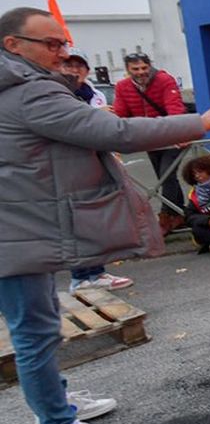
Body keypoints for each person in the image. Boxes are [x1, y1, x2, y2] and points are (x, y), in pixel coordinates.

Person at [0, 7, 210, 424]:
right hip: (17, 230)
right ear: (13, 45)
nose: (62, 52)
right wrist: (197, 122)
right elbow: (117, 134)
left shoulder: (20, 85)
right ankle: (56, 421)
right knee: (35, 333)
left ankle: (56, 401)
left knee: (39, 326)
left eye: (64, 43)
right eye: (51, 44)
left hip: (22, 223)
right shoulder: (28, 91)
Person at [61, 49, 133, 294]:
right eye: (68, 65)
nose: (74, 70)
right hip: (68, 169)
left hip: (96, 164)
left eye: (79, 66)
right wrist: (95, 116)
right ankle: (79, 278)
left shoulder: (94, 94)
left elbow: (107, 129)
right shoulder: (55, 95)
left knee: (95, 223)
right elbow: (73, 127)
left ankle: (97, 272)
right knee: (74, 226)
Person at [112, 52, 188, 235]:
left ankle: (165, 217)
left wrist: (178, 132)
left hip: (172, 138)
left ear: (150, 66)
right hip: (149, 139)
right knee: (165, 177)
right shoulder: (122, 87)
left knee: (166, 176)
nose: (141, 72)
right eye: (135, 69)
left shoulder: (164, 80)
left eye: (144, 68)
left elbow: (174, 108)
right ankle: (179, 214)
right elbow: (121, 112)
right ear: (128, 70)